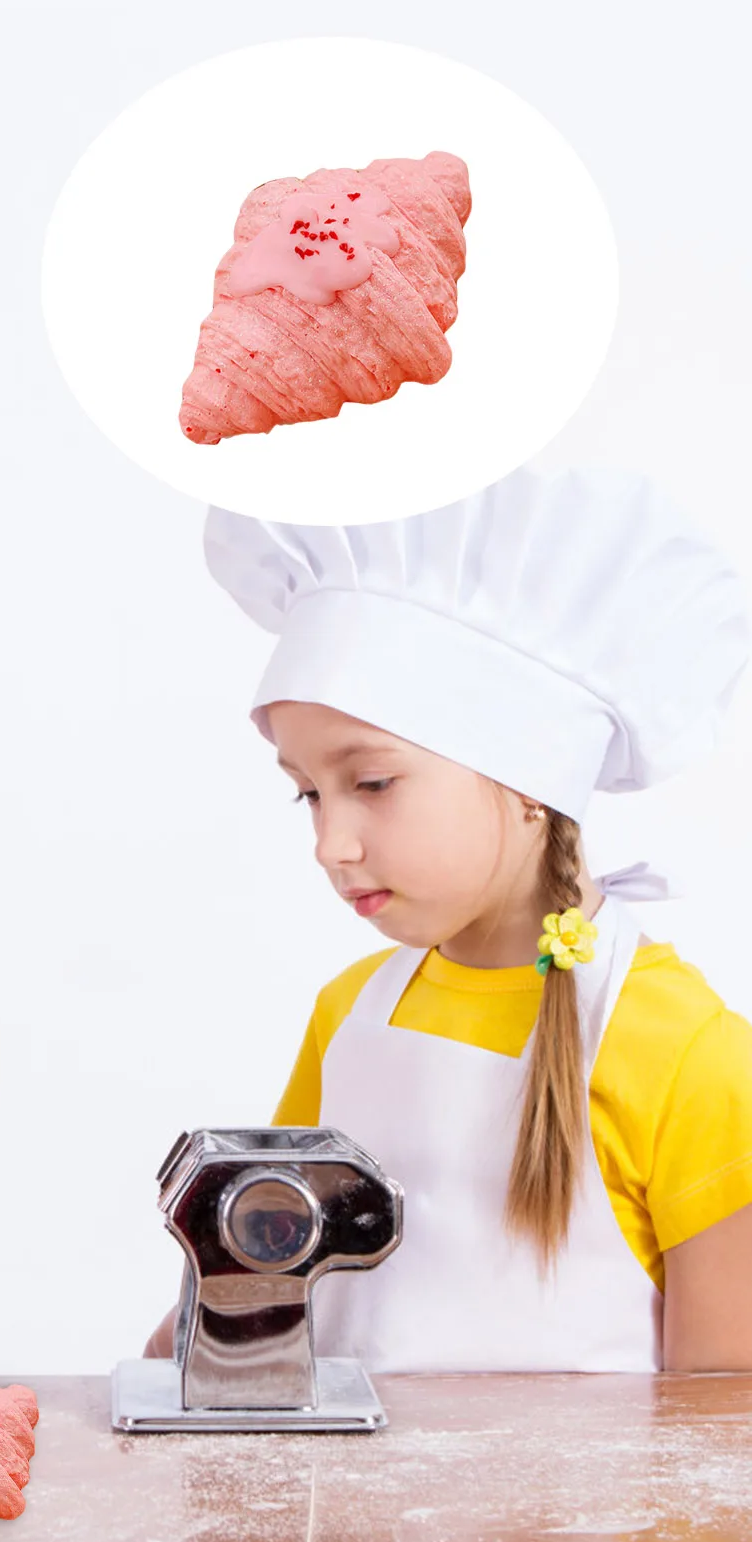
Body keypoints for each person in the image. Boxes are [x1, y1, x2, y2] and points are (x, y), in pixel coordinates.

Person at [146, 468, 752, 1372]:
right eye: (307, 792)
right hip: (346, 1517)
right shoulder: (349, 1017)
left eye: (372, 782)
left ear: (525, 782)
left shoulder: (689, 1055)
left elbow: (718, 1436)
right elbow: (243, 1307)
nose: (330, 843)